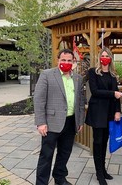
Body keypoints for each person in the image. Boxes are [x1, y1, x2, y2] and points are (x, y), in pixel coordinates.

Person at [34, 49, 85, 185]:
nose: (66, 63)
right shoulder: (47, 75)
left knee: (65, 153)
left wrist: (80, 121)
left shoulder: (78, 78)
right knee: (46, 155)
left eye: (69, 60)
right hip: (51, 123)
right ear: (58, 60)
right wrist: (40, 122)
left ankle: (60, 178)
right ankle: (41, 182)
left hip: (70, 122)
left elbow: (80, 101)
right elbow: (39, 100)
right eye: (63, 60)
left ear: (73, 62)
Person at [85, 47, 121, 185]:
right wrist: (112, 94)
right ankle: (99, 173)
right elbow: (95, 91)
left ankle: (103, 169)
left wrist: (118, 111)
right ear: (99, 57)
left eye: (107, 55)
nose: (105, 57)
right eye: (103, 55)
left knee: (105, 142)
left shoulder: (112, 75)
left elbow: (117, 94)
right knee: (98, 142)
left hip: (110, 113)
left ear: (110, 58)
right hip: (98, 112)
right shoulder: (93, 72)